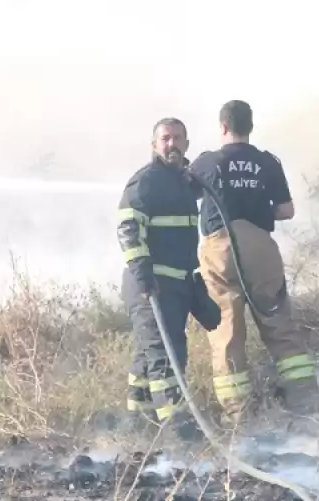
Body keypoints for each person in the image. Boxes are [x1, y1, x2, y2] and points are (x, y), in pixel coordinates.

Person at [188, 100, 318, 424]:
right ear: (250, 127)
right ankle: (305, 401)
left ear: (222, 127)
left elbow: (184, 198)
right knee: (279, 324)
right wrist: (259, 211)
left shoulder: (207, 162)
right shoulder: (267, 162)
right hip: (261, 246)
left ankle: (238, 414)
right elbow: (287, 210)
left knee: (226, 330)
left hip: (220, 249)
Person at [116, 117, 220, 437]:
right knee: (166, 358)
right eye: (165, 139)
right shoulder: (146, 180)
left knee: (147, 359)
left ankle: (137, 429)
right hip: (152, 287)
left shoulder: (183, 183)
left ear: (187, 144)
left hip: (176, 286)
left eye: (177, 138)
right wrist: (143, 273)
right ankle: (179, 437)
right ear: (154, 145)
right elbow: (128, 227)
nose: (171, 144)